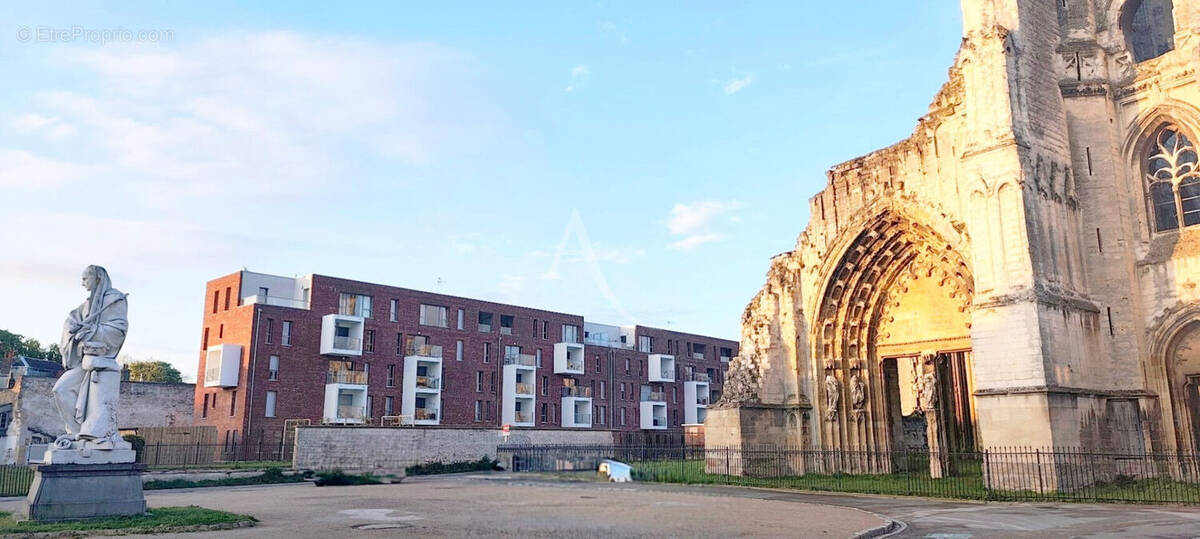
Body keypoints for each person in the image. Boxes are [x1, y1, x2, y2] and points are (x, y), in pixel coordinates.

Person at [53, 265, 128, 450]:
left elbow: (118, 330)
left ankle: (90, 434)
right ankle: (78, 433)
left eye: (86, 278)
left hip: (101, 360)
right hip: (84, 360)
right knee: (60, 390)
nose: (82, 282)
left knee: (91, 399)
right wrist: (74, 331)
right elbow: (71, 321)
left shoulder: (114, 299)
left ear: (98, 279)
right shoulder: (87, 304)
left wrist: (92, 331)